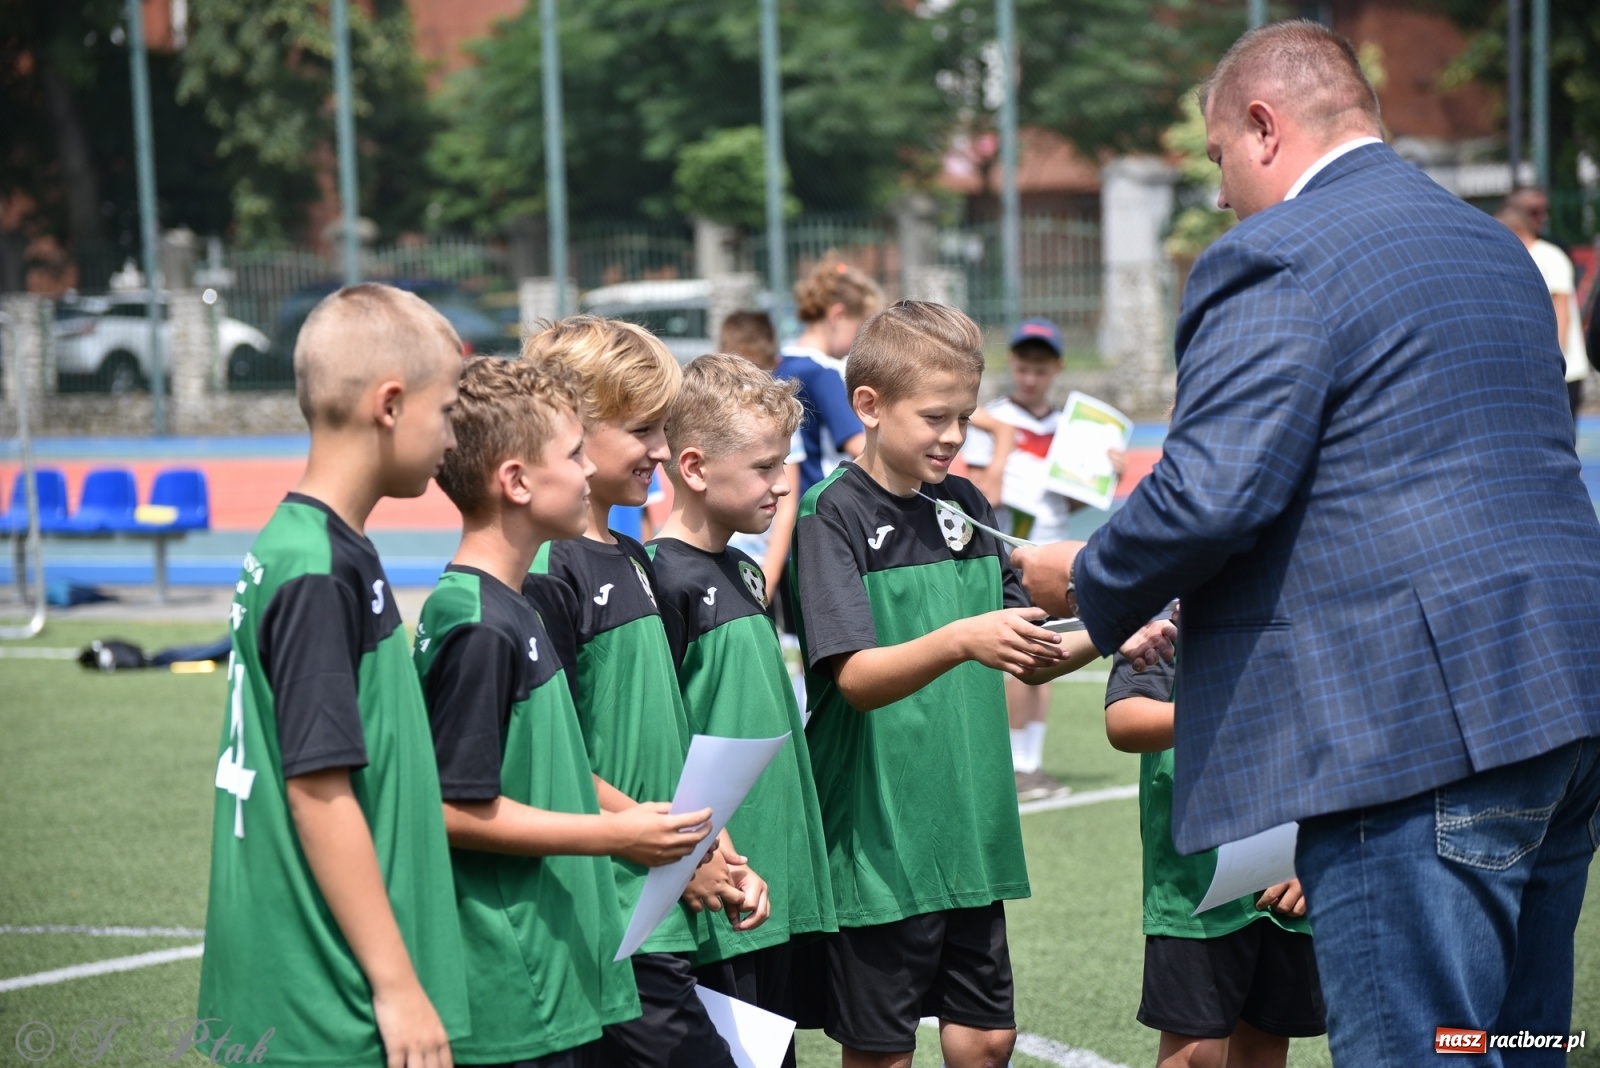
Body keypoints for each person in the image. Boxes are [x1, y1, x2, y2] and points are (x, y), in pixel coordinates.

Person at [1011, 21, 1600, 1067]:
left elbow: (1209, 493)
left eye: (1218, 159)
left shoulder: (1273, 254)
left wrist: (1086, 581)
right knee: (1513, 1042)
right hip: (1559, 700)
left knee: (1422, 1049)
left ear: (1263, 125)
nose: (1222, 192)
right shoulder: (1496, 251)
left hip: (1410, 731)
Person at [789, 300, 1165, 1068]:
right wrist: (962, 639)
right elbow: (855, 680)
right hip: (878, 841)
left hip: (966, 828)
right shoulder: (832, 517)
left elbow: (1024, 647)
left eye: (965, 415)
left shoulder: (965, 506)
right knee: (880, 1050)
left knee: (987, 1040)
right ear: (869, 405)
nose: (956, 436)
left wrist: (1106, 631)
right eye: (935, 416)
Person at [416, 356, 722, 1068]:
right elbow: (448, 807)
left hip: (550, 959)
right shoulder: (477, 622)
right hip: (510, 973)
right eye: (574, 453)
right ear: (517, 482)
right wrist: (616, 834)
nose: (588, 472)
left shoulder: (509, 605)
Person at [198, 283, 470, 1066]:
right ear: (390, 404)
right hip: (328, 999)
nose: (453, 437)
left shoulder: (314, 546)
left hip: (321, 987)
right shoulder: (317, 566)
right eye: (447, 409)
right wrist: (397, 985)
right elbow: (318, 789)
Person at [523, 316, 768, 1068]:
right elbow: (552, 755)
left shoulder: (632, 555)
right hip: (610, 913)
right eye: (640, 431)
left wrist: (720, 847)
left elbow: (662, 734)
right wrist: (675, 845)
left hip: (666, 899)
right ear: (570, 429)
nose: (659, 450)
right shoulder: (547, 569)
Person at [649, 353, 837, 1068]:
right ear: (694, 468)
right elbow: (656, 744)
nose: (782, 482)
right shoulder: (659, 580)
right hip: (717, 895)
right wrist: (701, 859)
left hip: (768, 891)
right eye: (763, 467)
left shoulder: (744, 568)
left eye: (782, 462)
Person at [1105, 634, 1326, 1068]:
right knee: (1196, 1053)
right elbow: (1125, 720)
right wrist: (1223, 715)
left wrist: (1314, 849)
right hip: (1198, 873)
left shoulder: (1313, 601)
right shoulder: (1170, 608)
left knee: (1266, 1043)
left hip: (1294, 857)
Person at [963, 316, 1127, 801]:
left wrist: (1108, 477)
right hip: (1008, 553)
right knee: (1018, 653)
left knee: (1051, 649)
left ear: (1055, 368)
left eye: (1040, 367)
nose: (1030, 375)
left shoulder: (1072, 429)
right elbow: (974, 491)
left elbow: (1068, 501)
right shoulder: (992, 418)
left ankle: (1032, 761)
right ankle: (1014, 762)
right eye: (1022, 365)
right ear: (1012, 364)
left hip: (1057, 556)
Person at [718, 310, 808, 601]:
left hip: (763, 566)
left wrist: (767, 579)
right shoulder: (713, 419)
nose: (751, 386)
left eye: (759, 373)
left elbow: (786, 508)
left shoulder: (782, 424)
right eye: (742, 374)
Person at [777, 256, 883, 497]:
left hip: (790, 498)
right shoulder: (823, 373)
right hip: (824, 499)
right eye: (860, 329)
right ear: (837, 316)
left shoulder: (782, 361)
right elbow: (859, 446)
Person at [1497, 187, 1590, 421]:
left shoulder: (1549, 257)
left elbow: (1562, 314)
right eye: (1534, 211)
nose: (1543, 217)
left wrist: (1551, 364)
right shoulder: (1516, 257)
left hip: (1562, 371)